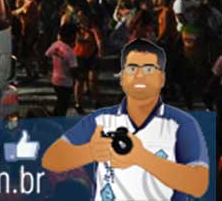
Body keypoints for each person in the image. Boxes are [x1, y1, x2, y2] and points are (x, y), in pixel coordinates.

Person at [42, 39, 209, 200]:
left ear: (161, 78)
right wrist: (90, 151)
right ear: (122, 78)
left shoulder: (181, 124)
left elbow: (199, 184)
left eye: (148, 69)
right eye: (132, 68)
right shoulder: (101, 120)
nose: (139, 75)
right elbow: (51, 159)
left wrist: (141, 157)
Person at [45, 22, 78, 117]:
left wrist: (47, 69)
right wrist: (78, 78)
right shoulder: (70, 52)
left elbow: (46, 55)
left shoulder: (56, 45)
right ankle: (58, 120)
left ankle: (54, 116)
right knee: (63, 104)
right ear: (71, 36)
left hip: (55, 79)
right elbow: (73, 69)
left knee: (60, 100)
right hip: (66, 82)